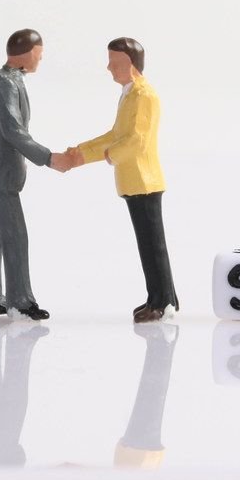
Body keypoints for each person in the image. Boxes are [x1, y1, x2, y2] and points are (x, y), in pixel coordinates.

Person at [65, 38, 179, 323]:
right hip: (133, 181)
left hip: (144, 180)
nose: (108, 68)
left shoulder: (144, 95)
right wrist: (80, 152)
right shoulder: (129, 94)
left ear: (128, 63)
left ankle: (165, 302)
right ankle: (158, 298)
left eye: (113, 63)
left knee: (154, 246)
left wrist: (108, 155)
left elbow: (136, 140)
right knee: (147, 245)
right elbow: (115, 134)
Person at [0, 29, 71, 320]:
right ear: (27, 53)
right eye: (39, 54)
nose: (40, 60)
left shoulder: (0, 80)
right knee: (15, 236)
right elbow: (13, 130)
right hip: (0, 172)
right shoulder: (6, 84)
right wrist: (49, 158)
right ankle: (20, 300)